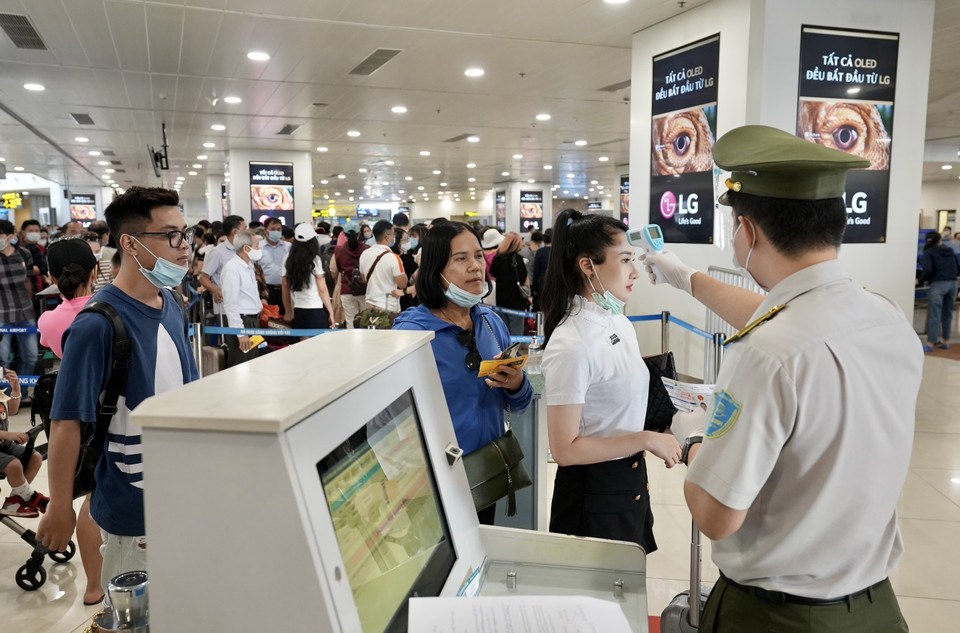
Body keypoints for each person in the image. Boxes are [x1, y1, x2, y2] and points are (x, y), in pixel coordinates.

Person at [643, 125, 922, 633]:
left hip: (779, 616)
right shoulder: (887, 317)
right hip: (877, 608)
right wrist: (684, 277)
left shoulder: (766, 354)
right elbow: (788, 314)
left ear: (746, 231)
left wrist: (695, 436)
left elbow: (715, 513)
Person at [37, 186, 199, 604]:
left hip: (185, 493)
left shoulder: (174, 303)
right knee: (134, 616)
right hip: (133, 513)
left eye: (186, 234)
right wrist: (59, 506)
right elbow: (66, 421)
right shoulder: (97, 324)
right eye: (172, 236)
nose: (185, 249)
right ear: (130, 242)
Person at [539, 209, 682, 553]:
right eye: (625, 260)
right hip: (592, 497)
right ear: (588, 266)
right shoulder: (571, 344)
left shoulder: (618, 323)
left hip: (629, 484)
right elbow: (565, 449)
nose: (636, 272)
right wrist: (645, 439)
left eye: (634, 259)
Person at [392, 221, 534, 524]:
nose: (475, 267)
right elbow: (393, 420)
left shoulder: (492, 323)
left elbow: (521, 403)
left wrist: (517, 383)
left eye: (479, 256)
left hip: (487, 472)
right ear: (435, 268)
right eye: (461, 259)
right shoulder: (411, 334)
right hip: (433, 483)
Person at [36, 236, 105, 605]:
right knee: (100, 497)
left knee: (87, 496)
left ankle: (94, 585)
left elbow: (50, 347)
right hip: (109, 409)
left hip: (70, 411)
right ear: (95, 271)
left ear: (50, 275)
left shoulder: (49, 319)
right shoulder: (108, 310)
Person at [0, 219, 39, 405]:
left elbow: (29, 281)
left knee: (30, 356)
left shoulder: (24, 254)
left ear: (9, 237)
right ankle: (6, 397)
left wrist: (30, 304)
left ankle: (21, 394)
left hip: (25, 313)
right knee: (3, 359)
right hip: (1, 315)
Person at [0, 371, 46, 518]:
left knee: (35, 457)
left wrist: (16, 389)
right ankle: (32, 497)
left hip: (3, 444)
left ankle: (14, 502)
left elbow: (12, 410)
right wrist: (10, 435)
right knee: (14, 465)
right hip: (4, 440)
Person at [282, 224, 336, 339]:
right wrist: (331, 311)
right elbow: (322, 289)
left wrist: (288, 311)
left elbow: (285, 286)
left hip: (299, 309)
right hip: (317, 309)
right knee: (318, 347)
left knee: (302, 347)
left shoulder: (288, 258)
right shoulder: (315, 259)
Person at [221, 230, 265, 365]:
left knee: (253, 361)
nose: (259, 249)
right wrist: (240, 333)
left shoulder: (249, 266)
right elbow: (230, 304)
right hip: (242, 321)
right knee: (241, 364)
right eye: (256, 245)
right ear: (246, 248)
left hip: (252, 320)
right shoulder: (232, 269)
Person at [919, 231, 958, 351]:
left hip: (938, 284)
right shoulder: (950, 251)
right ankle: (946, 341)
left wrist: (920, 281)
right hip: (953, 284)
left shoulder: (928, 252)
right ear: (940, 240)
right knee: (947, 313)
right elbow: (957, 266)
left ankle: (930, 343)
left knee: (934, 315)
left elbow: (928, 270)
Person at [199, 214, 246, 315]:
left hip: (247, 307)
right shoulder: (218, 252)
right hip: (227, 309)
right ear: (235, 232)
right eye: (245, 229)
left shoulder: (245, 250)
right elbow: (204, 278)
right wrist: (216, 290)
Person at [358, 220, 406, 314]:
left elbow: (364, 279)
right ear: (387, 237)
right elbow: (402, 284)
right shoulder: (393, 257)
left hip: (369, 302)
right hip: (387, 305)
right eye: (393, 234)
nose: (394, 237)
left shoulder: (364, 254)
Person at [488, 232, 531, 335]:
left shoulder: (497, 258)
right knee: (516, 330)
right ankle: (515, 351)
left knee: (503, 330)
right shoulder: (519, 259)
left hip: (501, 300)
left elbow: (493, 273)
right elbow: (523, 278)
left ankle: (505, 350)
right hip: (516, 301)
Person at [332, 222, 369, 328]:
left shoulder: (339, 250)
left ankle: (352, 343)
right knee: (365, 320)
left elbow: (339, 269)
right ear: (359, 234)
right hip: (364, 289)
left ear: (344, 234)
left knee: (350, 321)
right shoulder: (367, 249)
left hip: (346, 289)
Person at [260, 217, 291, 314]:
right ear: (265, 230)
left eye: (279, 229)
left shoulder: (288, 247)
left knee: (286, 321)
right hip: (267, 291)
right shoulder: (258, 248)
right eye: (273, 229)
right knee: (268, 321)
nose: (276, 232)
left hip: (285, 289)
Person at [20, 219, 48, 295]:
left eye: (36, 231)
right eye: (31, 231)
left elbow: (43, 268)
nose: (34, 233)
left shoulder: (40, 247)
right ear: (23, 232)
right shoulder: (18, 247)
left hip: (37, 284)